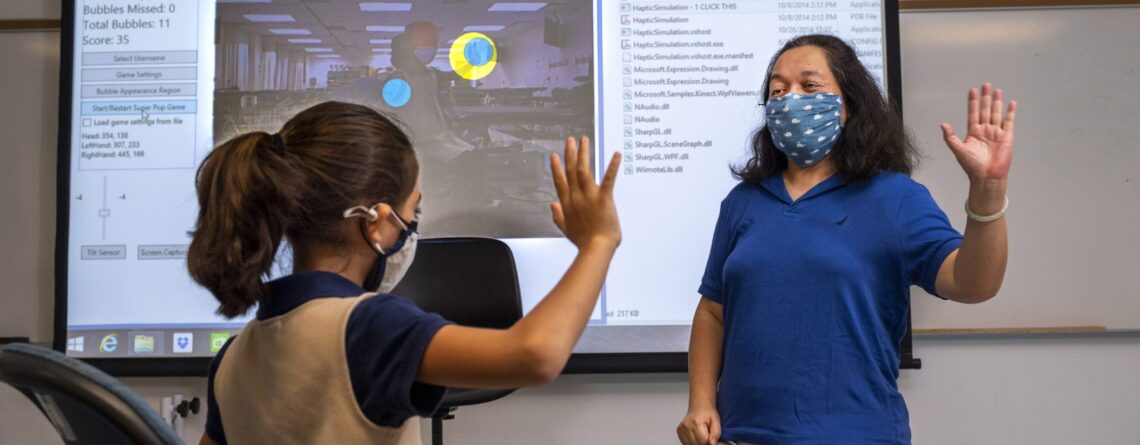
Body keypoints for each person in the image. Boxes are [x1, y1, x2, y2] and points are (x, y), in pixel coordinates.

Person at [187, 101, 621, 445]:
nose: (414, 226)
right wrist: (597, 243)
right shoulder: (369, 326)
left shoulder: (235, 358)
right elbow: (534, 355)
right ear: (375, 221)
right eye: (413, 210)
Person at [677, 35, 1016, 445]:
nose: (790, 100)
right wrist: (700, 403)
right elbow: (713, 313)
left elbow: (973, 284)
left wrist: (989, 190)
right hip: (741, 435)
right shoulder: (743, 202)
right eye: (778, 91)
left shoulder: (895, 198)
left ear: (848, 105)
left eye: (810, 86)